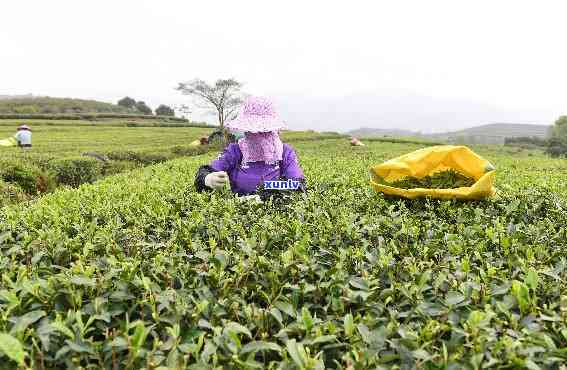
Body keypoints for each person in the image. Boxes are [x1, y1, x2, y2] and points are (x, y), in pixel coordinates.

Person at [194, 96, 306, 200]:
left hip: (275, 212)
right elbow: (206, 171)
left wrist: (264, 192)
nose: (258, 135)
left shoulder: (285, 152)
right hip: (239, 211)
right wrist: (207, 179)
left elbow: (297, 184)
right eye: (253, 130)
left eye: (264, 130)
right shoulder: (236, 151)